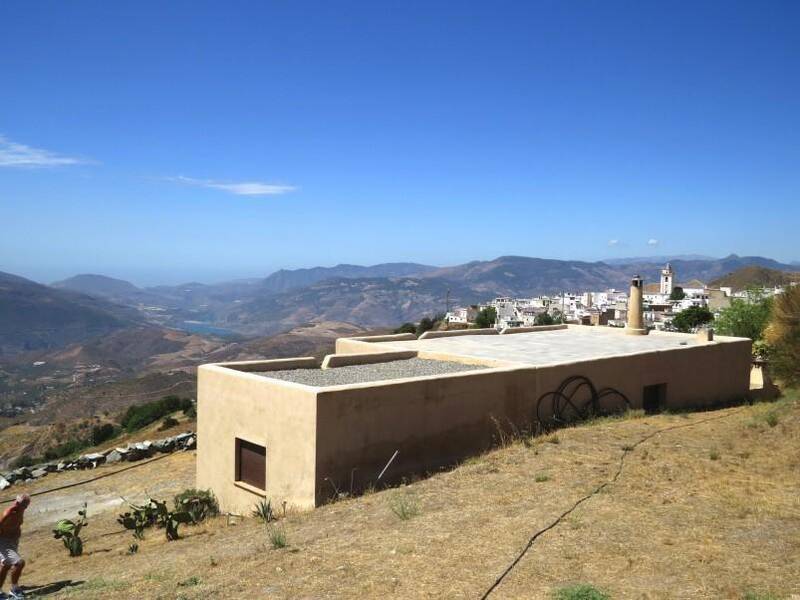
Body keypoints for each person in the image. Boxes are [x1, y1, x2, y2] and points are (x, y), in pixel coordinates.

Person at [0, 494, 30, 600]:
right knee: (19, 563)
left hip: (12, 542)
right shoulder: (9, 512)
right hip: (4, 541)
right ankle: (14, 590)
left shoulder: (20, 511)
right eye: (16, 502)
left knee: (6, 565)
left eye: (21, 504)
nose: (16, 504)